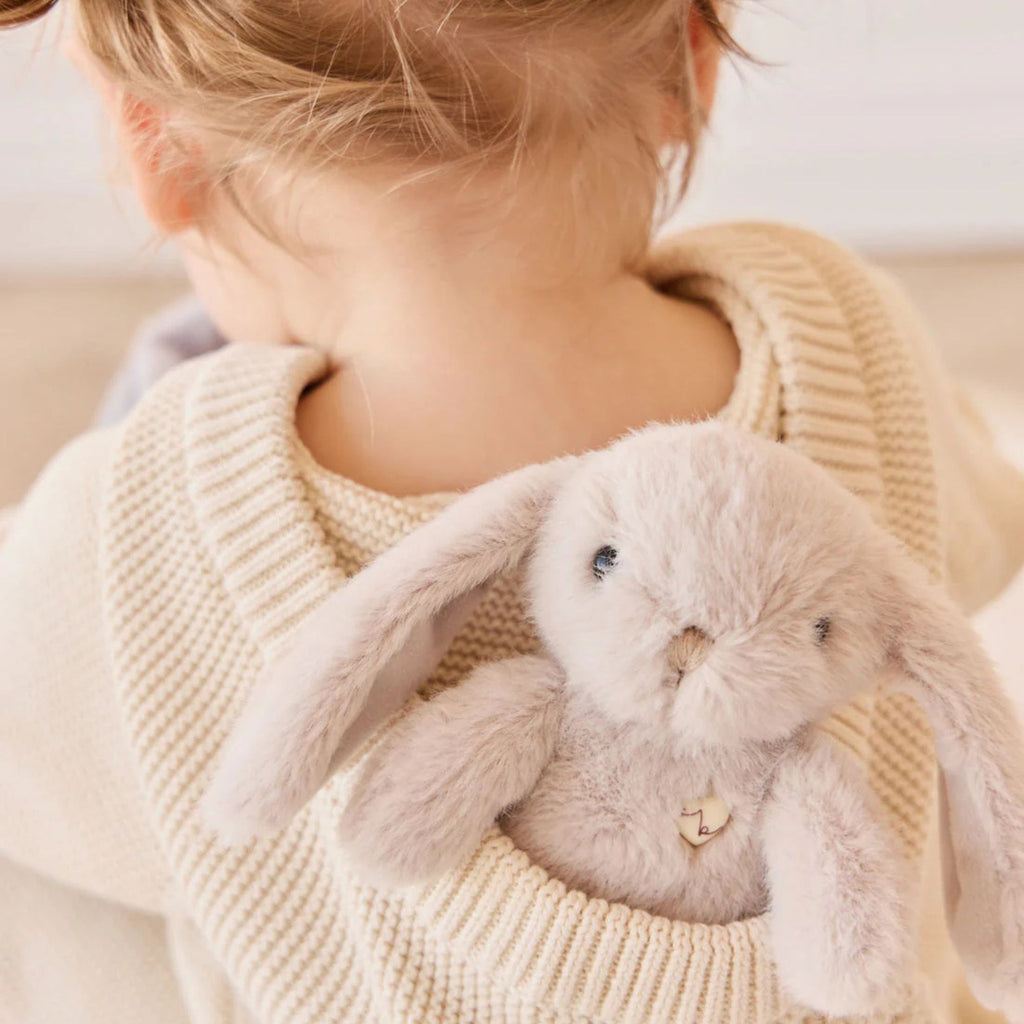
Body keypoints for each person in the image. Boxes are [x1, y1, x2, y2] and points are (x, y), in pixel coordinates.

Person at [1, 1, 1022, 1022]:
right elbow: (969, 546)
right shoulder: (841, 331)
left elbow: (35, 783)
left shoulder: (129, 523)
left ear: (154, 148)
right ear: (690, 66)